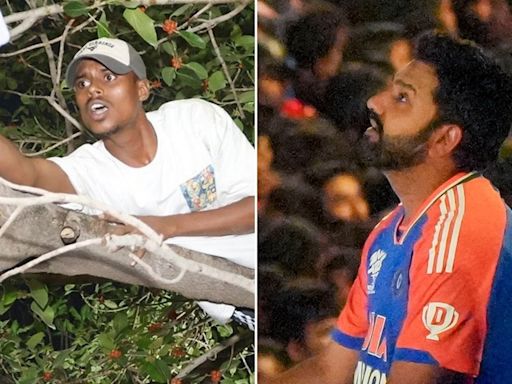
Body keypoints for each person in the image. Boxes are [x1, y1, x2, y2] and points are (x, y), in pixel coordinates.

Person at [263, 31, 512, 384]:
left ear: (443, 139)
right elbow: (330, 370)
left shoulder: (460, 231)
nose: (375, 103)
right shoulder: (393, 228)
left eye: (402, 98)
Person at [0, 37, 255, 328]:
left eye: (108, 77)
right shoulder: (89, 170)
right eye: (82, 85)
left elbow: (256, 210)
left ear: (142, 88)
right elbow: (25, 174)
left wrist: (162, 227)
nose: (92, 89)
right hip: (240, 299)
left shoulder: (193, 120)